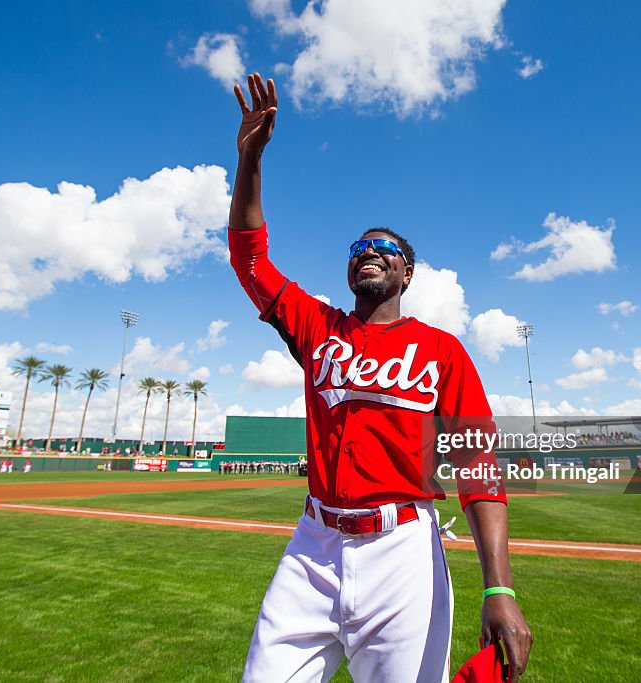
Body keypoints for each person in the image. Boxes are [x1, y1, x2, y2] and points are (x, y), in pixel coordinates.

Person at [228, 74, 532, 682]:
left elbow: (478, 465)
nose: (368, 250)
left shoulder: (441, 350)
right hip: (313, 546)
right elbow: (250, 257)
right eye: (358, 245)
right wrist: (250, 160)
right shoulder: (318, 327)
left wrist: (499, 589)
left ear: (406, 273)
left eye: (384, 248)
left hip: (404, 553)